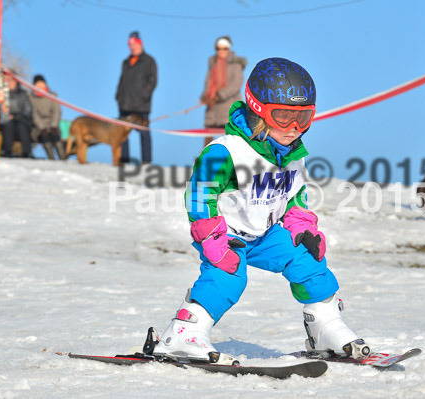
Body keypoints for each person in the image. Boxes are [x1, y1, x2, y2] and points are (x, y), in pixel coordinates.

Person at [143, 58, 370, 365]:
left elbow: (294, 198)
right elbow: (199, 193)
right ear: (259, 110)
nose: (294, 128)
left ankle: (325, 328)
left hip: (264, 233)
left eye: (303, 118)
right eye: (283, 116)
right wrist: (211, 237)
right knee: (229, 275)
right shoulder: (226, 151)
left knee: (307, 260)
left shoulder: (293, 156)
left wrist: (302, 228)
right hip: (224, 234)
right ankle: (182, 333)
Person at [115, 31, 157, 165]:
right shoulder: (126, 62)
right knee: (123, 134)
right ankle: (125, 160)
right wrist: (118, 96)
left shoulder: (149, 61)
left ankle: (146, 161)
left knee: (144, 132)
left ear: (140, 44)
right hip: (125, 103)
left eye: (134, 44)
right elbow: (122, 80)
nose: (132, 47)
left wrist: (144, 95)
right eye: (130, 45)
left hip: (141, 105)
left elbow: (153, 81)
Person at [200, 36, 247, 147]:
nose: (221, 51)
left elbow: (236, 84)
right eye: (218, 49)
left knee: (230, 139)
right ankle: (205, 159)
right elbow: (208, 84)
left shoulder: (236, 64)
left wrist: (220, 95)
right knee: (208, 137)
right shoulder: (213, 65)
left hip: (229, 107)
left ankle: (232, 160)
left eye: (224, 49)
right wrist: (204, 97)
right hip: (213, 109)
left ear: (228, 49)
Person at [28, 74, 65, 160]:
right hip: (39, 125)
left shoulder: (53, 95)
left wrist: (54, 125)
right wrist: (41, 127)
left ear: (45, 84)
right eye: (37, 84)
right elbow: (34, 114)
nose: (40, 85)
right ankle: (51, 157)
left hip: (52, 123)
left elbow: (57, 111)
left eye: (41, 83)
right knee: (44, 136)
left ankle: (62, 157)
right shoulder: (31, 98)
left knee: (55, 135)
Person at [0, 74, 33, 158]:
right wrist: (6, 114)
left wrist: (16, 116)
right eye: (8, 81)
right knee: (8, 125)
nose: (10, 83)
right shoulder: (1, 94)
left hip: (21, 119)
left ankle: (26, 152)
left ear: (16, 82)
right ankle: (7, 151)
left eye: (12, 80)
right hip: (7, 120)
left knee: (22, 126)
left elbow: (28, 109)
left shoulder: (23, 94)